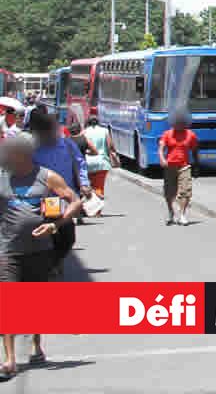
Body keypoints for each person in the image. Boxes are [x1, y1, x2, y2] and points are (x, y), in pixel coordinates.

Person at [1, 133, 83, 380]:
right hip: (7, 251)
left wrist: (55, 225)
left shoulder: (46, 176)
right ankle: (9, 359)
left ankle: (36, 347)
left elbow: (75, 201)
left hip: (40, 250)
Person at [27, 109, 89, 272]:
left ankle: (55, 260)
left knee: (68, 237)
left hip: (65, 198)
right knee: (48, 233)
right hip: (42, 198)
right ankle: (51, 264)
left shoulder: (68, 145)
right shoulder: (32, 148)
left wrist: (84, 183)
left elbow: (80, 163)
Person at [159, 110, 198, 226]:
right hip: (170, 166)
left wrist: (196, 164)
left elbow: (195, 150)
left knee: (185, 191)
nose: (178, 125)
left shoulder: (190, 135)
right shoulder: (167, 134)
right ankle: (171, 212)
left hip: (184, 167)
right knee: (168, 193)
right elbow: (161, 149)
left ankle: (182, 214)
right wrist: (162, 159)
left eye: (181, 123)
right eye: (176, 123)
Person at [82, 117, 120, 207]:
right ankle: (97, 210)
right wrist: (115, 154)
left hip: (87, 162)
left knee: (89, 186)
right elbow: (110, 146)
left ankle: (88, 207)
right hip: (102, 163)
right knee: (99, 186)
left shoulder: (84, 132)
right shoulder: (105, 131)